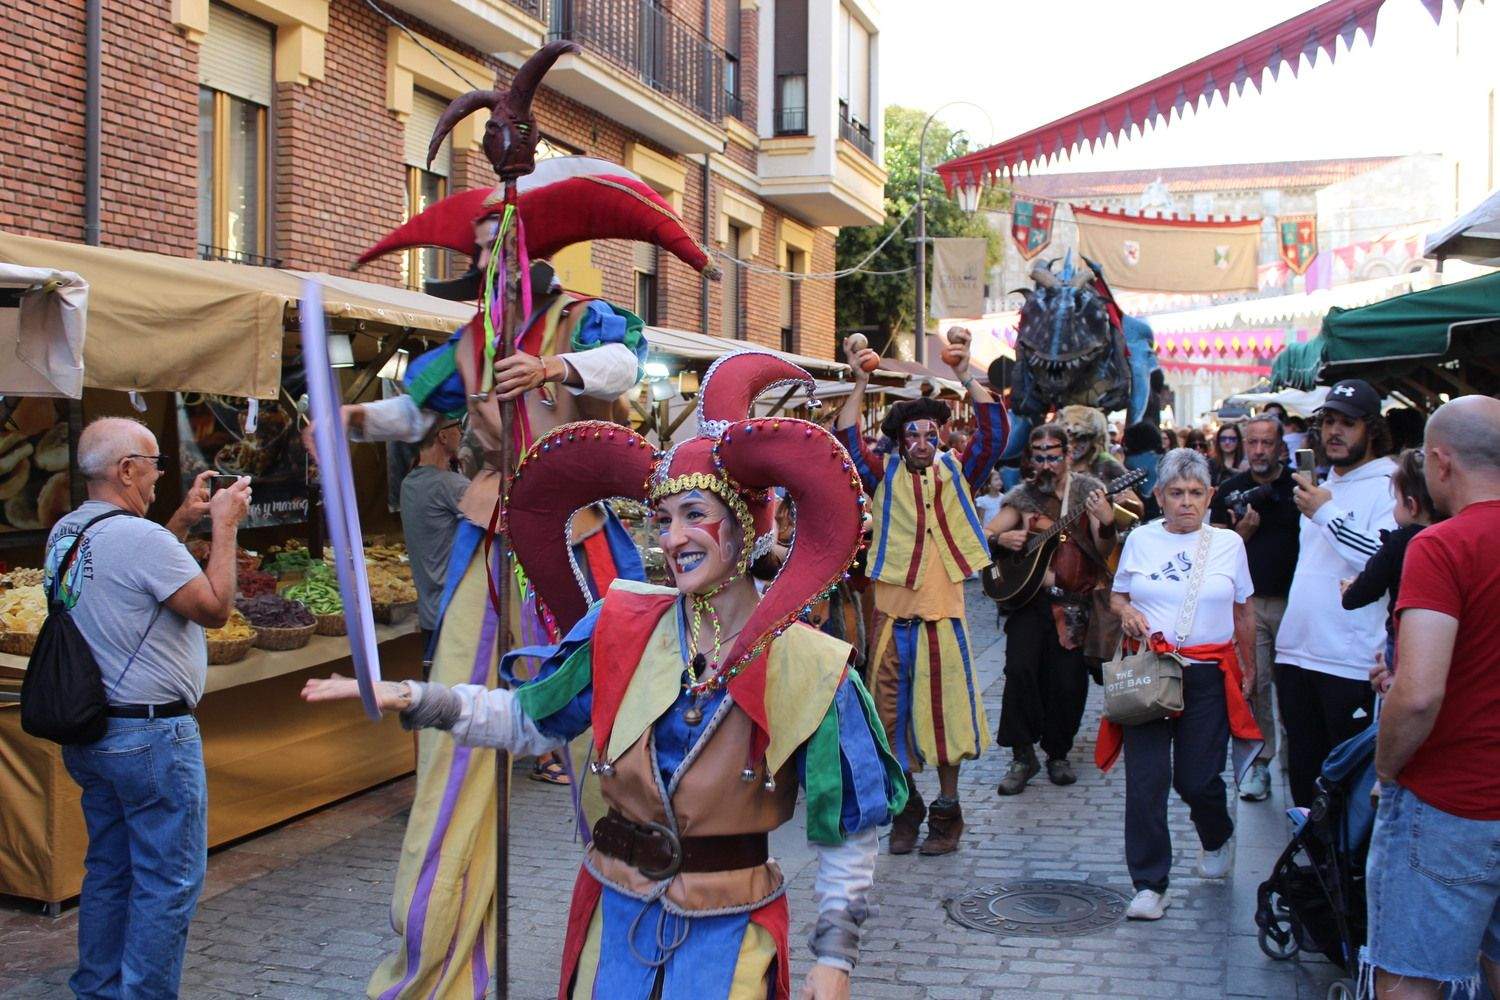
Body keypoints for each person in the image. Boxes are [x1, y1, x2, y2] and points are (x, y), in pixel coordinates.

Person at [304, 353, 906, 999]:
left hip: (730, 930)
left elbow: (847, 825)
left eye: (694, 515)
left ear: (746, 526)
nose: (673, 539)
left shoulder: (809, 664)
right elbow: (530, 722)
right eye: (662, 520)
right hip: (612, 913)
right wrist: (415, 697)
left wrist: (834, 958)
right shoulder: (621, 625)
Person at [325, 90, 716, 993]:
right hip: (490, 543)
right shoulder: (467, 343)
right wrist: (349, 416)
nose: (492, 275)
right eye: (481, 265)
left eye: (503, 259)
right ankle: (441, 963)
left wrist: (555, 368)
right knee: (458, 738)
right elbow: (412, 407)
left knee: (616, 733)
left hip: (583, 547)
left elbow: (631, 362)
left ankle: (648, 936)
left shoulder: (583, 318)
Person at [46, 417, 250, 997]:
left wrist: (182, 522)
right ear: (126, 469)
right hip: (152, 736)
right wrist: (225, 527)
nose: (162, 473)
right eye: (155, 463)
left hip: (92, 735)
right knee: (169, 881)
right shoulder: (141, 541)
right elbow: (213, 609)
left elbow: (131, 574)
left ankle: (99, 989)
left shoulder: (67, 531)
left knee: (110, 872)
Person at [837, 328, 1008, 856]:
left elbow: (994, 432)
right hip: (893, 621)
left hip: (944, 620)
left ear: (939, 436)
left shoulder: (960, 472)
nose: (920, 444)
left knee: (946, 720)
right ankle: (907, 808)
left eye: (929, 435)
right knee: (891, 723)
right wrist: (861, 378)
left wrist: (963, 372)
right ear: (898, 439)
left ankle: (947, 812)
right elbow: (845, 439)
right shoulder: (880, 475)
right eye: (911, 436)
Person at [1363, 395, 1500, 999]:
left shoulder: (1441, 546)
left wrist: (1387, 766)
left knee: (1411, 980)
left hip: (1451, 800)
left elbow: (1418, 694)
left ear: (1441, 463)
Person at [1100, 448, 1259, 921]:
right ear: (1159, 497)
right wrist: (1125, 611)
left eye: (1195, 493)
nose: (1186, 502)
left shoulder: (1229, 544)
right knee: (1146, 781)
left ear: (1210, 495)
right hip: (1150, 671)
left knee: (1198, 779)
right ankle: (1150, 883)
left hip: (1208, 675)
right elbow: (1118, 594)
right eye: (1176, 493)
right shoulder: (1141, 540)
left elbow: (1243, 609)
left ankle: (1216, 833)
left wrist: (1250, 668)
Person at [1274, 379, 1397, 808]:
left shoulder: (1391, 485)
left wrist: (1325, 513)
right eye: (1328, 421)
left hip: (1350, 660)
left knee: (1346, 782)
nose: (1334, 432)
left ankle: (1342, 872)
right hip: (1297, 652)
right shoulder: (1323, 485)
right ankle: (1308, 866)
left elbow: (1384, 559)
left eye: (1347, 423)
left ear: (1371, 429)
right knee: (1304, 774)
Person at [986, 424, 1115, 793]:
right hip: (1030, 602)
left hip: (1073, 605)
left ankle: (1058, 752)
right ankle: (1022, 755)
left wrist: (1106, 521)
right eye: (1039, 456)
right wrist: (1002, 538)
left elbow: (1102, 547)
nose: (1046, 463)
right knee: (1020, 670)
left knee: (1067, 682)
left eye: (1053, 455)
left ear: (1068, 454)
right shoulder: (1023, 496)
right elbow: (985, 536)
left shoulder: (1088, 491)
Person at [1208, 415, 1300, 802]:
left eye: (1267, 443)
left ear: (1282, 447)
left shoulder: (1299, 489)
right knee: (1257, 685)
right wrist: (1239, 536)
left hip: (1298, 605)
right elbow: (1209, 550)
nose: (1260, 450)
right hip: (1251, 605)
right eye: (1253, 443)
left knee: (1296, 689)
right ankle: (1261, 764)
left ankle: (1299, 765)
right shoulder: (1231, 490)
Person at [1342, 447, 1436, 679]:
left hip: (1405, 638)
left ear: (1412, 506)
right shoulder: (1451, 536)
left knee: (1395, 693)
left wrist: (1349, 590)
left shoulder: (1399, 543)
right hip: (1440, 637)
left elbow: (1363, 591)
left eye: (1396, 501)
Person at [398, 418, 468, 667]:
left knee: (434, 691)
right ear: (442, 436)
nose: (462, 432)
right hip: (456, 615)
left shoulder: (408, 484)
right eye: (457, 426)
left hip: (430, 613)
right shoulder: (448, 485)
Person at [974, 468, 1004, 533]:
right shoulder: (983, 501)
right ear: (989, 484)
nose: (999, 482)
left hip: (1001, 531)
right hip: (988, 533)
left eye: (1000, 479)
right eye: (996, 479)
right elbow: (981, 518)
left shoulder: (1004, 498)